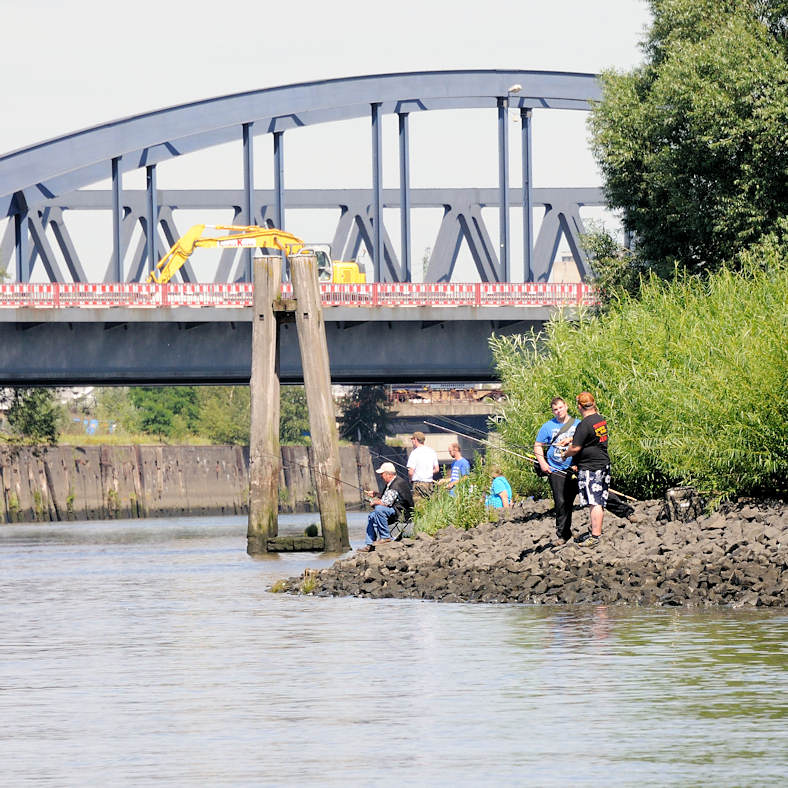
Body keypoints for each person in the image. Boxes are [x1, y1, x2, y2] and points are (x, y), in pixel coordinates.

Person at [564, 392, 610, 546]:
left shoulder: (584, 424)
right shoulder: (599, 419)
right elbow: (590, 436)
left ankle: (595, 536)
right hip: (603, 464)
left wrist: (565, 454)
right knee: (599, 499)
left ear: (579, 406)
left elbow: (576, 448)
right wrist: (571, 439)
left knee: (594, 501)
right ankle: (595, 531)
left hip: (591, 467)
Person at [534, 396, 580, 544]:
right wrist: (542, 463)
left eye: (560, 408)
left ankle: (625, 512)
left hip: (575, 468)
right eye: (555, 409)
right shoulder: (547, 426)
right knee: (561, 502)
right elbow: (538, 445)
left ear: (566, 407)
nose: (558, 411)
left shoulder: (578, 424)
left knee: (594, 492)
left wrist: (579, 463)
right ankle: (563, 535)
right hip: (555, 469)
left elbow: (585, 444)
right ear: (553, 412)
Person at [359, 462, 414, 552]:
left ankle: (385, 537)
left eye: (382, 474)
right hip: (395, 509)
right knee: (372, 516)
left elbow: (386, 502)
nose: (381, 476)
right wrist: (376, 494)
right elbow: (388, 497)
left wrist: (374, 502)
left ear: (389, 474)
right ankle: (369, 544)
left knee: (379, 509)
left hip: (402, 512)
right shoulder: (393, 483)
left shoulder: (396, 484)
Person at [407, 431, 439, 501]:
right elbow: (437, 469)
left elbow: (411, 472)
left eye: (412, 439)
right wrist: (428, 473)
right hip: (429, 483)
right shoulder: (432, 451)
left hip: (418, 484)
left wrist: (410, 479)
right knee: (429, 505)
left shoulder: (414, 453)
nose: (412, 441)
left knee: (419, 507)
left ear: (415, 440)